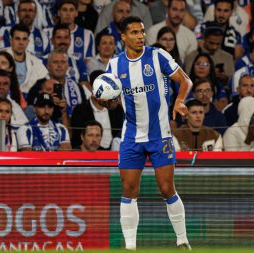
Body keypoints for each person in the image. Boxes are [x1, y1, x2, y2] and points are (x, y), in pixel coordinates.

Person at [102, 16, 192, 250]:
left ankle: (182, 240)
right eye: (134, 32)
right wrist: (99, 98)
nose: (141, 36)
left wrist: (179, 101)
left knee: (166, 189)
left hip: (160, 134)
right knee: (129, 190)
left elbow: (185, 81)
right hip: (131, 137)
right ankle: (130, 246)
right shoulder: (114, 65)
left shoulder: (157, 56)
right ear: (123, 37)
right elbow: (109, 103)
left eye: (142, 31)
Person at [71, 70, 123, 150]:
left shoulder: (117, 109)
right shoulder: (80, 111)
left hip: (115, 154)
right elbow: (78, 139)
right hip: (90, 155)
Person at [4, 24, 48, 96]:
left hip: (30, 101)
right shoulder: (1, 58)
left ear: (28, 42)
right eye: (17, 39)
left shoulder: (36, 62)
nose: (21, 43)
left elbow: (44, 81)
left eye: (24, 39)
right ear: (11, 41)